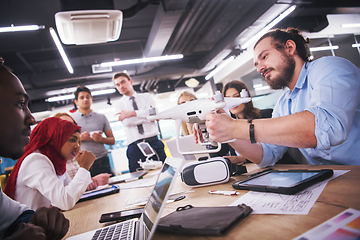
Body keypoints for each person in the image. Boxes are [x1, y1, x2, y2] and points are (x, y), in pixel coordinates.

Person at [202, 27, 360, 167]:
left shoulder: (329, 68)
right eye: (256, 65)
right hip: (334, 181)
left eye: (264, 57)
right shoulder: (284, 104)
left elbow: (325, 129)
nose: (260, 69)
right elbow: (267, 155)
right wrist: (229, 133)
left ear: (290, 48)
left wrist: (236, 127)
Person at [0, 58, 69, 240]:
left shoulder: (58, 162)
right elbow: (65, 198)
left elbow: (15, 216)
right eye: (20, 104)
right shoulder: (36, 160)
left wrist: (37, 221)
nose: (32, 118)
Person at [4, 117, 96, 211]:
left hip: (44, 222)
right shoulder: (36, 160)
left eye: (78, 141)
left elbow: (70, 193)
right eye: (72, 140)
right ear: (54, 138)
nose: (78, 146)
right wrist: (84, 167)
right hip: (30, 224)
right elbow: (65, 201)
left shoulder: (57, 161)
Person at [113, 72, 166, 172]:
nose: (121, 86)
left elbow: (155, 116)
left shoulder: (147, 97)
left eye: (123, 82)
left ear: (131, 81)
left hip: (153, 142)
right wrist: (147, 116)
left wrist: (132, 113)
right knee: (138, 177)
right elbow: (127, 122)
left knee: (164, 172)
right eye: (117, 85)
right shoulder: (119, 104)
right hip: (135, 146)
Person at [53, 112, 111, 190]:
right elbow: (63, 192)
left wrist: (93, 181)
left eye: (72, 125)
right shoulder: (53, 158)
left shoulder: (74, 154)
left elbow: (78, 182)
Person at [72, 86, 115, 176]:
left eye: (88, 97)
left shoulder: (101, 117)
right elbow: (66, 142)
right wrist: (80, 138)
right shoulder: (72, 119)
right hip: (81, 163)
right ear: (76, 102)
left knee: (108, 187)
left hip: (102, 160)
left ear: (91, 99)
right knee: (87, 188)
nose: (85, 99)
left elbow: (112, 140)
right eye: (82, 97)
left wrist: (101, 139)